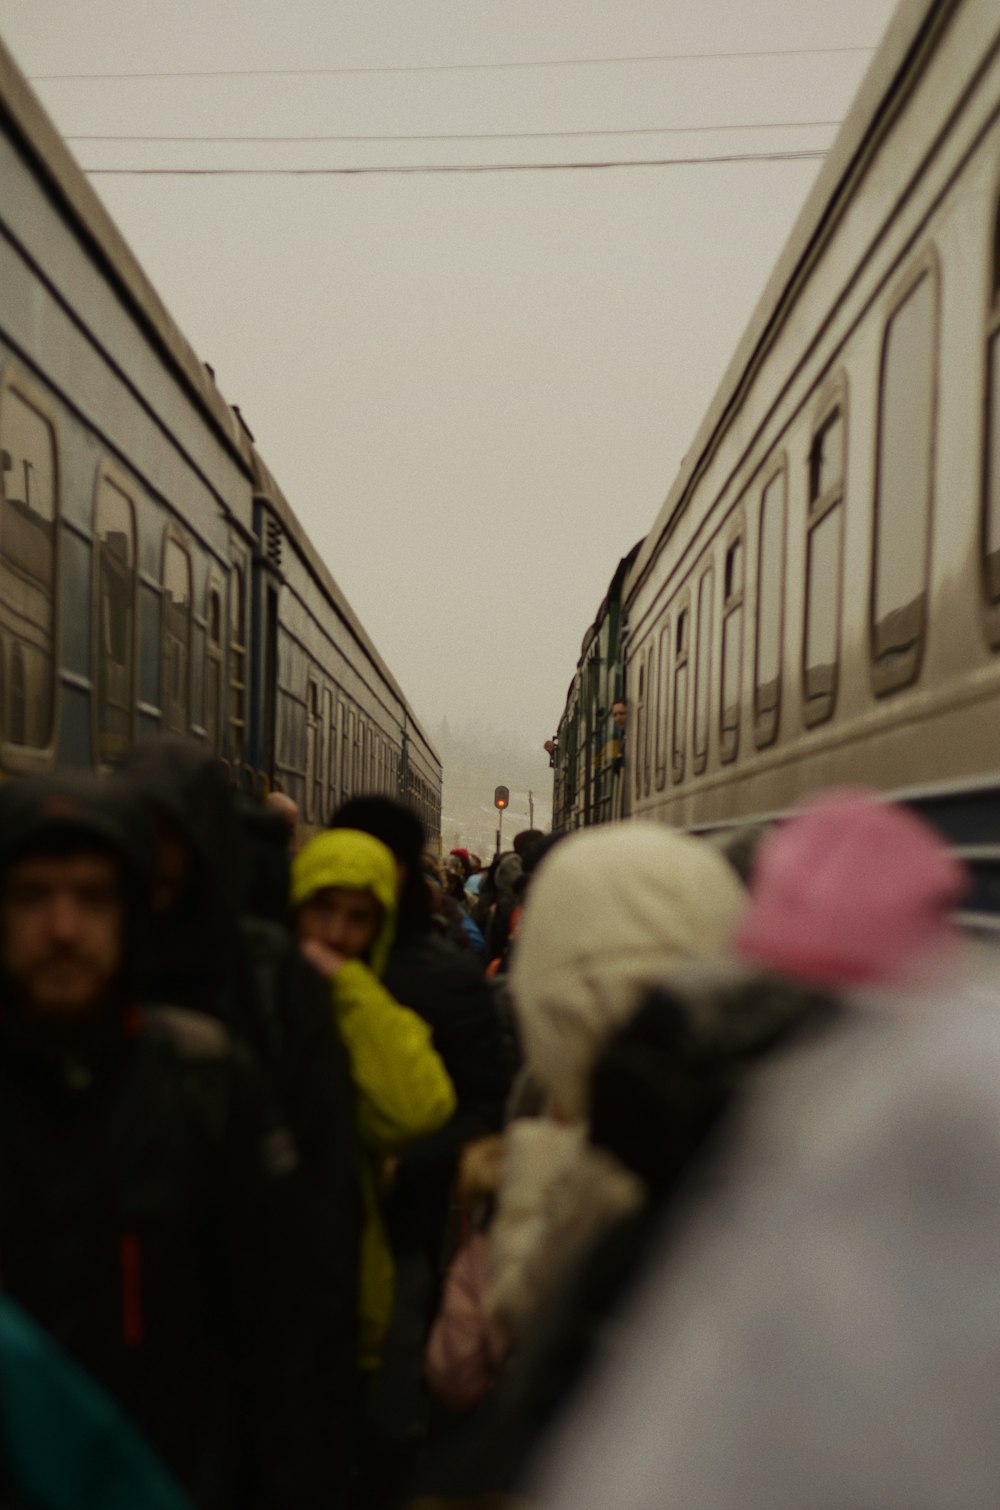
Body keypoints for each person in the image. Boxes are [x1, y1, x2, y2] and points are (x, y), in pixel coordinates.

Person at [0, 772, 351, 1509]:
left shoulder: (208, 1085)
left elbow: (284, 1343)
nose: (63, 927)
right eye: (32, 896)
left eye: (93, 898)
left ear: (133, 916)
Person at [289, 827, 457, 1379]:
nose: (336, 934)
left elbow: (416, 1109)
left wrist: (349, 986)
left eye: (358, 919)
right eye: (323, 910)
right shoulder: (250, 991)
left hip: (347, 1301)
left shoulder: (371, 1005)